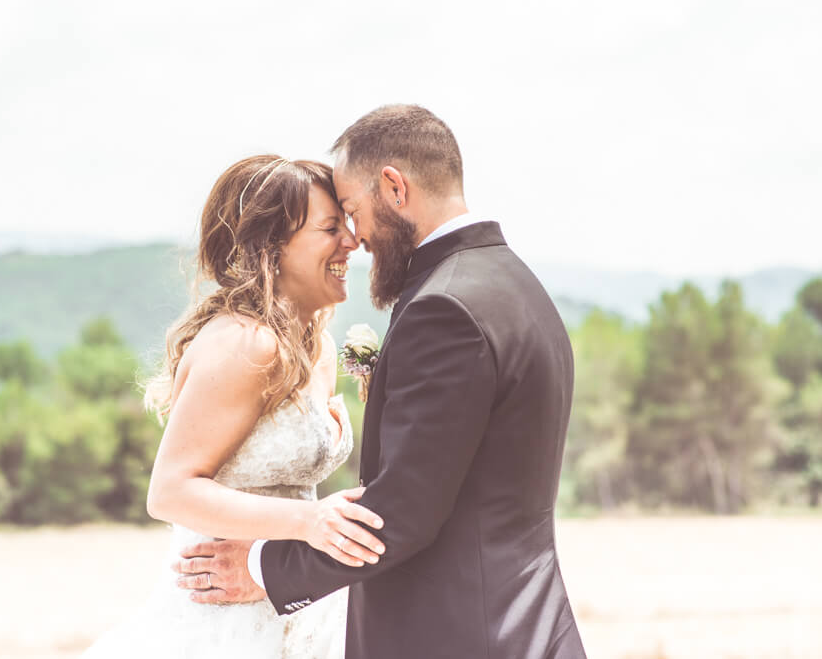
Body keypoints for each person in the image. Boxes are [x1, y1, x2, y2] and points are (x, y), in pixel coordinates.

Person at [176, 105, 588, 658]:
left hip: (458, 635)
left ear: (394, 187)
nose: (356, 237)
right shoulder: (513, 283)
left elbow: (405, 513)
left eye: (351, 210)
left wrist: (263, 567)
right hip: (525, 624)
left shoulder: (444, 308)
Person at [81, 155, 382, 658]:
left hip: (291, 599)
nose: (351, 243)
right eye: (331, 229)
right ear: (274, 248)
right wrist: (308, 524)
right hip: (222, 616)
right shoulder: (246, 345)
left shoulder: (318, 347)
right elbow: (170, 492)